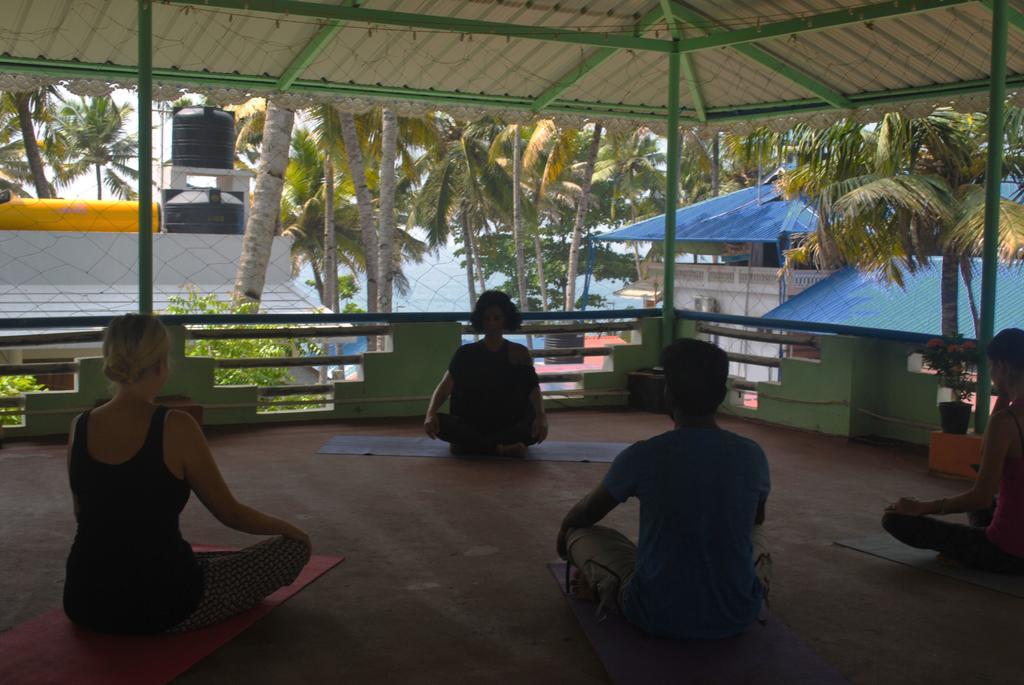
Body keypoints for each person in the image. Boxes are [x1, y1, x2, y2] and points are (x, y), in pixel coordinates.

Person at [63, 314, 312, 634]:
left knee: (199, 556)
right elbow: (231, 514)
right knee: (292, 550)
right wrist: (292, 530)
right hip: (167, 603)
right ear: (160, 365)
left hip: (84, 599)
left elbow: (82, 513)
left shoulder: (79, 426)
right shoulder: (175, 426)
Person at [556, 338, 771, 639]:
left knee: (580, 534)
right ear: (721, 395)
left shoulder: (644, 455)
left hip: (656, 612)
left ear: (668, 393)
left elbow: (589, 512)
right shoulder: (753, 455)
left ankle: (606, 591)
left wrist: (565, 528)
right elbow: (755, 521)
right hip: (737, 613)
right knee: (758, 537)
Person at [882, 328, 1024, 574]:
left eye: (991, 366)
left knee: (895, 520)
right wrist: (1005, 394)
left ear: (1000, 365)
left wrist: (923, 507)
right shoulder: (1006, 418)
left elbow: (980, 494)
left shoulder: (1006, 423)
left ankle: (970, 555)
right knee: (985, 506)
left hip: (1009, 553)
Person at [424, 290, 548, 457]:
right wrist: (430, 414)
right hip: (472, 423)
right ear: (481, 320)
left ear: (506, 319)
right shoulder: (465, 353)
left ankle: (474, 446)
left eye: (497, 318)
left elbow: (533, 389)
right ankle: (499, 448)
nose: (492, 324)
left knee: (532, 427)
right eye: (487, 318)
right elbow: (445, 386)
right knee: (439, 423)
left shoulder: (519, 353)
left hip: (508, 423)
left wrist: (541, 417)